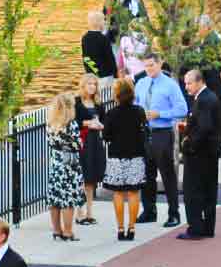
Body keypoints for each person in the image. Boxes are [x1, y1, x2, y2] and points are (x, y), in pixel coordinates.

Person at [134, 54, 187, 227]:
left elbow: (182, 109)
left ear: (159, 64)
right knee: (147, 174)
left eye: (151, 65)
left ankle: (174, 213)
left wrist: (161, 114)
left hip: (162, 131)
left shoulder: (170, 85)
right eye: (146, 66)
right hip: (144, 132)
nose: (148, 69)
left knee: (167, 174)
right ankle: (149, 210)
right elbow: (136, 103)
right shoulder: (141, 84)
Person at [179, 69, 221, 240]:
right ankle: (207, 227)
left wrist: (189, 145)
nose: (186, 87)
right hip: (209, 152)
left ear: (199, 82)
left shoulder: (204, 100)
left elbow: (204, 128)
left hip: (200, 154)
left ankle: (196, 228)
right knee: (208, 191)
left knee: (194, 191)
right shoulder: (208, 98)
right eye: (185, 83)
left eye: (189, 83)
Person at [103, 78, 149, 241]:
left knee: (118, 193)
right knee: (134, 192)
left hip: (116, 156)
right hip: (135, 155)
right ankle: (132, 227)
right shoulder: (139, 111)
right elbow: (145, 131)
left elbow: (106, 135)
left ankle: (120, 228)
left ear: (116, 94)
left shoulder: (111, 113)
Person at [44, 93, 85, 242]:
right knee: (69, 200)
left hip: (56, 164)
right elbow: (76, 145)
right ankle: (68, 232)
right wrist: (79, 142)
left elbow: (52, 143)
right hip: (70, 166)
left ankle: (56, 230)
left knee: (55, 199)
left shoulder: (50, 123)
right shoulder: (71, 124)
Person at [75, 76, 107, 225]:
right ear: (83, 85)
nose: (93, 87)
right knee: (81, 176)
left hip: (95, 141)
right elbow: (72, 122)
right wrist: (87, 123)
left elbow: (105, 121)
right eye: (89, 84)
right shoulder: (76, 102)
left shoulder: (99, 104)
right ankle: (79, 213)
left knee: (91, 178)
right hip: (82, 142)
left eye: (94, 84)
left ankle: (89, 212)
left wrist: (101, 125)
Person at [81, 12, 118, 79]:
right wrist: (115, 75)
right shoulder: (103, 39)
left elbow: (85, 57)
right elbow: (110, 58)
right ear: (99, 23)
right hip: (105, 75)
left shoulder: (85, 38)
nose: (105, 22)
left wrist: (90, 71)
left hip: (91, 74)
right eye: (104, 20)